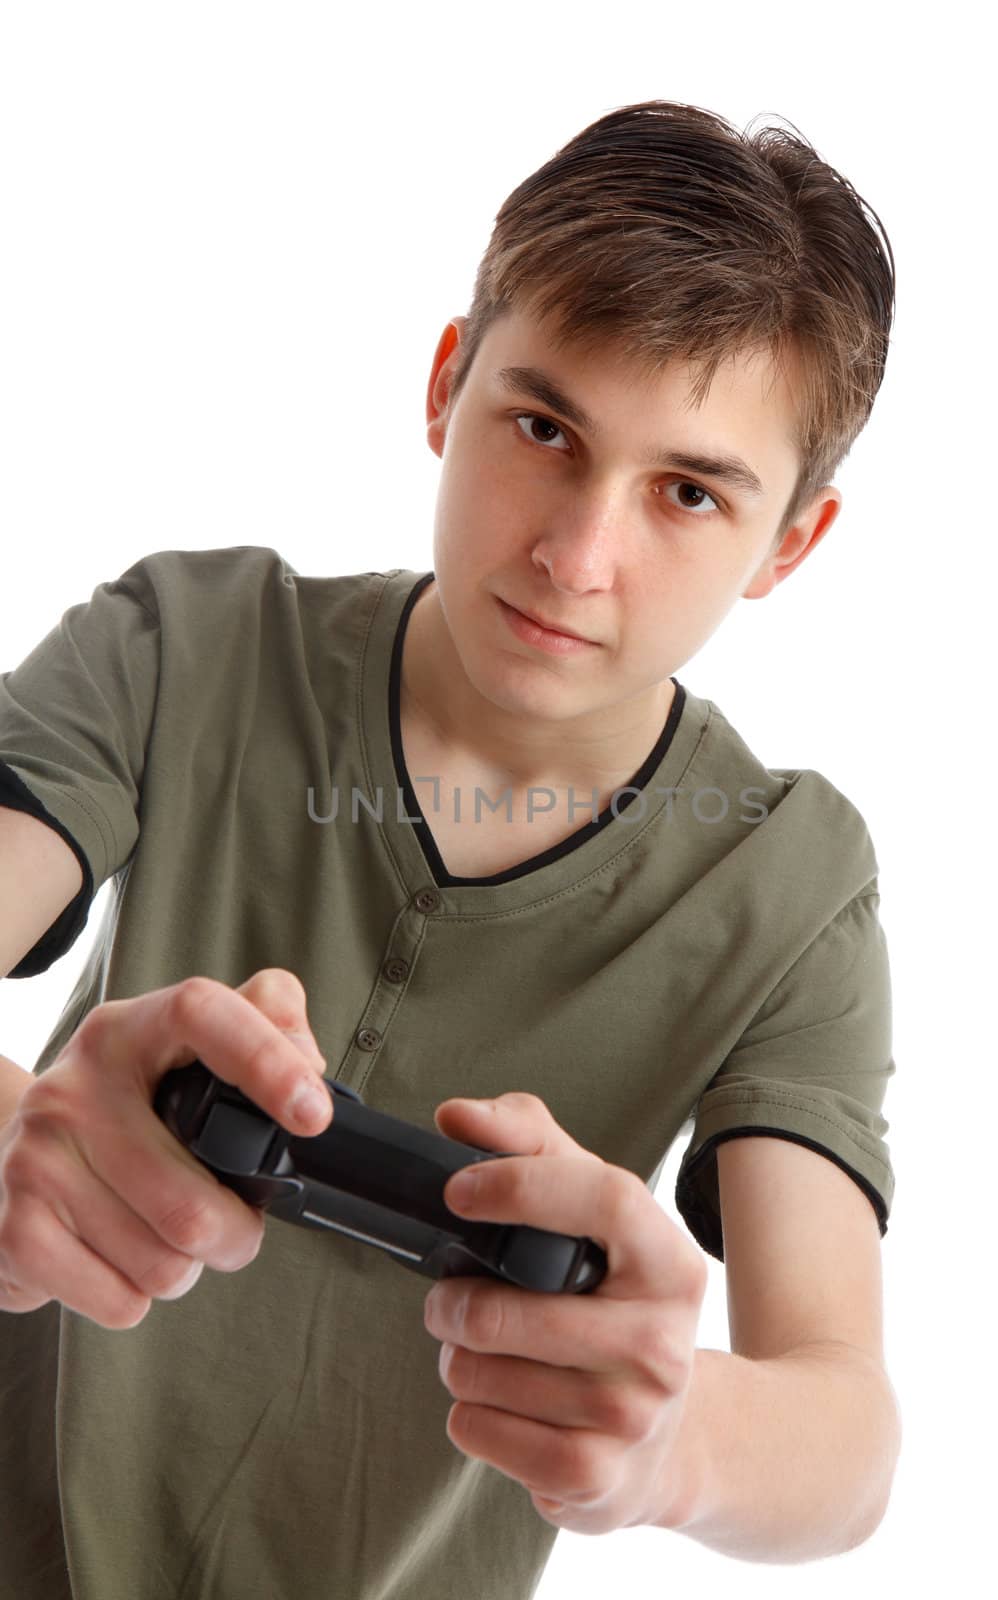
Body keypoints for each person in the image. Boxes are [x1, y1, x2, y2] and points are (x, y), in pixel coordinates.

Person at [0, 98, 901, 1596]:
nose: (578, 553)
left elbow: (848, 1432)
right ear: (447, 384)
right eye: (544, 428)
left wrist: (678, 1436)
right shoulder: (183, 645)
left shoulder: (791, 884)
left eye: (688, 491)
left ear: (788, 544)